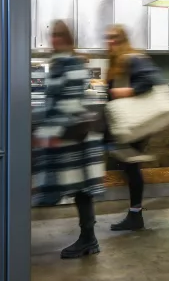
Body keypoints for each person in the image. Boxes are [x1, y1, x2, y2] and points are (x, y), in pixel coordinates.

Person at [32, 20, 105, 259]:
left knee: (81, 188)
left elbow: (70, 103)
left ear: (68, 38)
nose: (55, 39)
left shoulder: (70, 63)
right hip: (72, 134)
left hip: (76, 136)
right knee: (78, 188)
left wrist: (52, 132)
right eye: (53, 35)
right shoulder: (60, 63)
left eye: (60, 35)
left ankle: (89, 239)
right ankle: (88, 239)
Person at [105, 24, 161, 231]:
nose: (110, 42)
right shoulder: (117, 61)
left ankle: (135, 215)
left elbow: (149, 81)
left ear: (123, 39)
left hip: (135, 123)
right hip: (125, 122)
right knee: (128, 167)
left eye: (115, 38)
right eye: (108, 38)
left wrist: (125, 92)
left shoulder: (132, 58)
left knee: (131, 167)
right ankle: (134, 214)